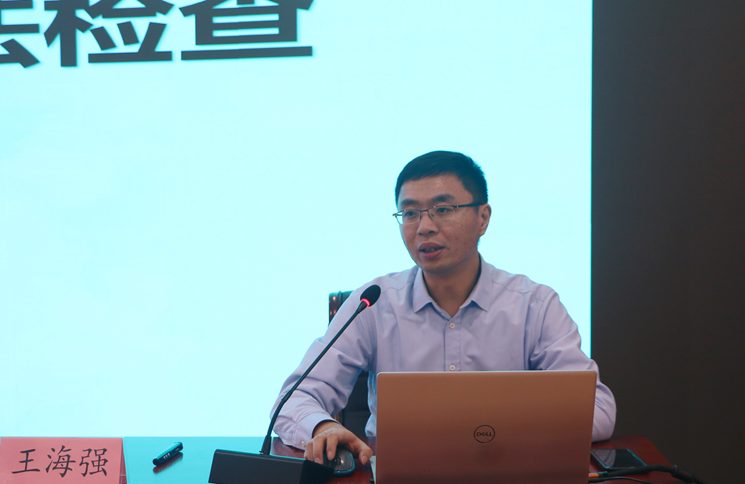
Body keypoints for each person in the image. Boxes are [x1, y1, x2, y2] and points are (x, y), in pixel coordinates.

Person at [271, 150, 616, 466]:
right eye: (410, 213)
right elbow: (293, 401)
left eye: (443, 209)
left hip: (507, 471)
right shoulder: (372, 304)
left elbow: (598, 409)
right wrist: (323, 427)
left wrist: (510, 429)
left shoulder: (535, 305)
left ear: (483, 218)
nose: (424, 227)